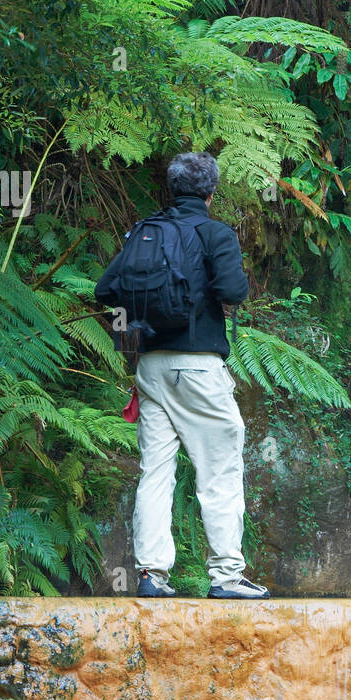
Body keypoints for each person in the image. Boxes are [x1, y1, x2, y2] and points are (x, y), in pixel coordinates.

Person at [96, 152, 270, 599]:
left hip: (149, 367)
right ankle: (227, 576)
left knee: (155, 471)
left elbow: (105, 289)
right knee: (219, 468)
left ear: (171, 189)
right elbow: (233, 291)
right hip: (197, 367)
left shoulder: (144, 231)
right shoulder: (215, 233)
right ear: (211, 192)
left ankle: (152, 575)